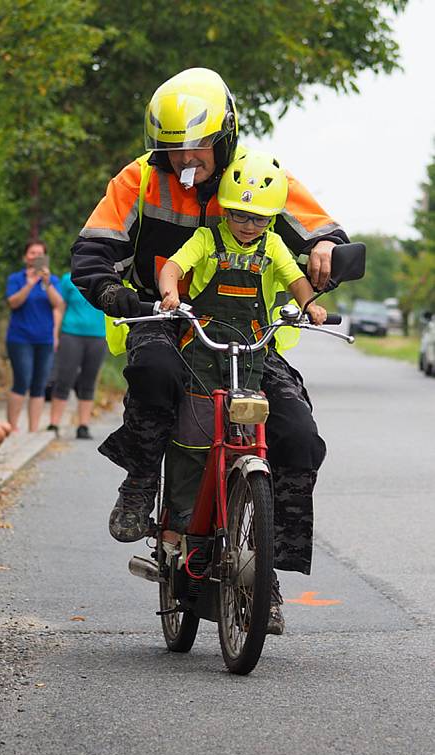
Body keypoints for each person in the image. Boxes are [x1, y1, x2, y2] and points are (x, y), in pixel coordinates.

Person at [71, 67, 348, 634]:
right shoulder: (139, 180)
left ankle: (265, 561)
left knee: (298, 434)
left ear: (225, 138)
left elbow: (323, 230)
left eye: (195, 150)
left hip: (249, 338)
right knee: (151, 370)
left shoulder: (256, 178)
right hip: (160, 321)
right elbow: (93, 250)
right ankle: (141, 481)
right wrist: (115, 293)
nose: (184, 164)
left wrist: (325, 250)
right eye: (171, 153)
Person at [5, 240, 63, 433]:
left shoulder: (51, 280)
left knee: (39, 384)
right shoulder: (16, 279)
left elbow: (58, 304)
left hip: (44, 339)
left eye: (40, 253)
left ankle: (33, 428)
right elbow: (13, 303)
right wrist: (29, 284)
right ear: (25, 257)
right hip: (20, 338)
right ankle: (12, 427)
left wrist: (46, 283)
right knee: (22, 380)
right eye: (32, 253)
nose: (35, 257)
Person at [46, 272, 106, 439]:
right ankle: (54, 423)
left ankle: (83, 426)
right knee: (64, 378)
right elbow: (59, 307)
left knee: (89, 380)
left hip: (98, 335)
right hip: (71, 333)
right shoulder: (68, 279)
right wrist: (55, 333)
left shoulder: (106, 278)